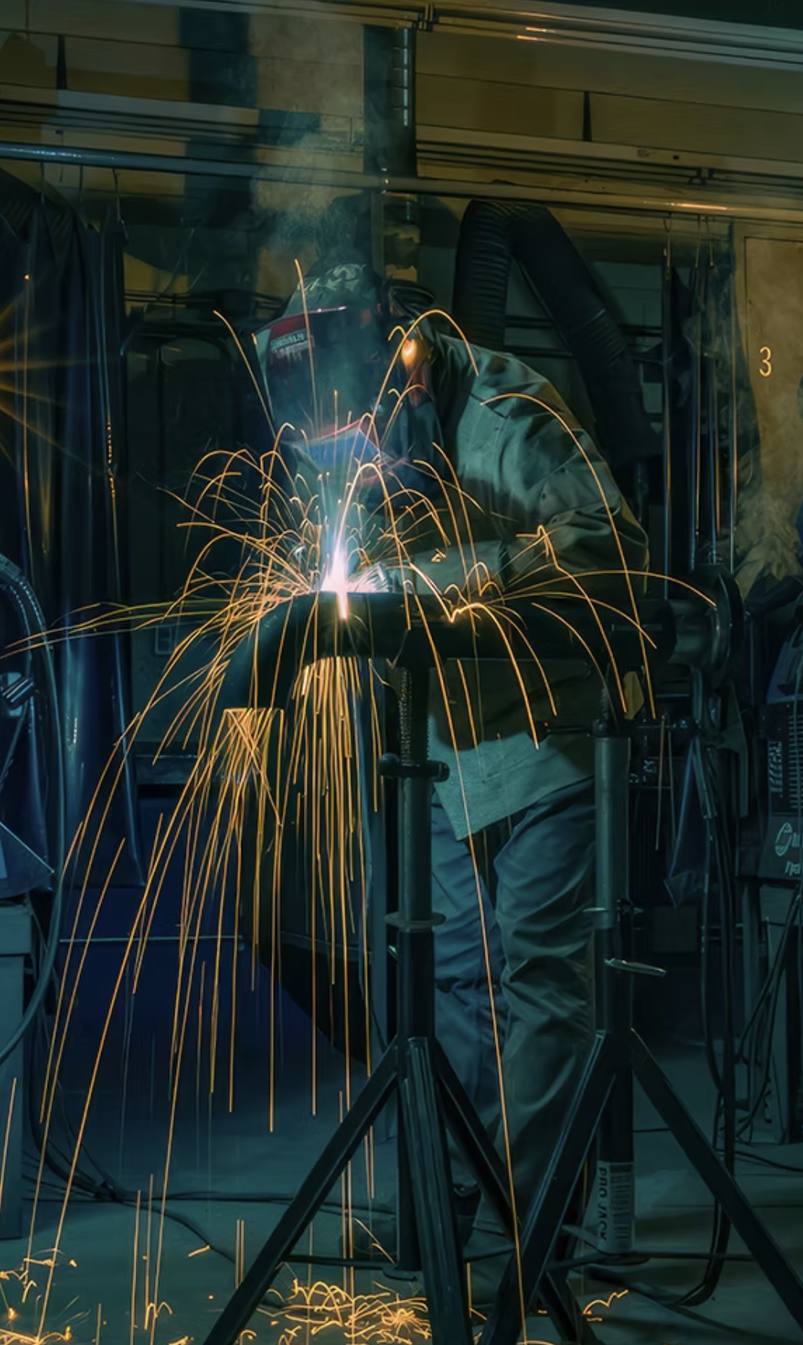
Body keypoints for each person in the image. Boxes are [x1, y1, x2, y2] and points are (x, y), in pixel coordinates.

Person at [253, 263, 648, 1238]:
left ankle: (532, 1225)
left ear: (404, 368)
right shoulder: (347, 419)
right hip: (438, 748)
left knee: (537, 981)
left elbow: (609, 542)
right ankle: (448, 1201)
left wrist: (473, 576)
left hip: (540, 739)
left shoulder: (505, 416)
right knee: (450, 984)